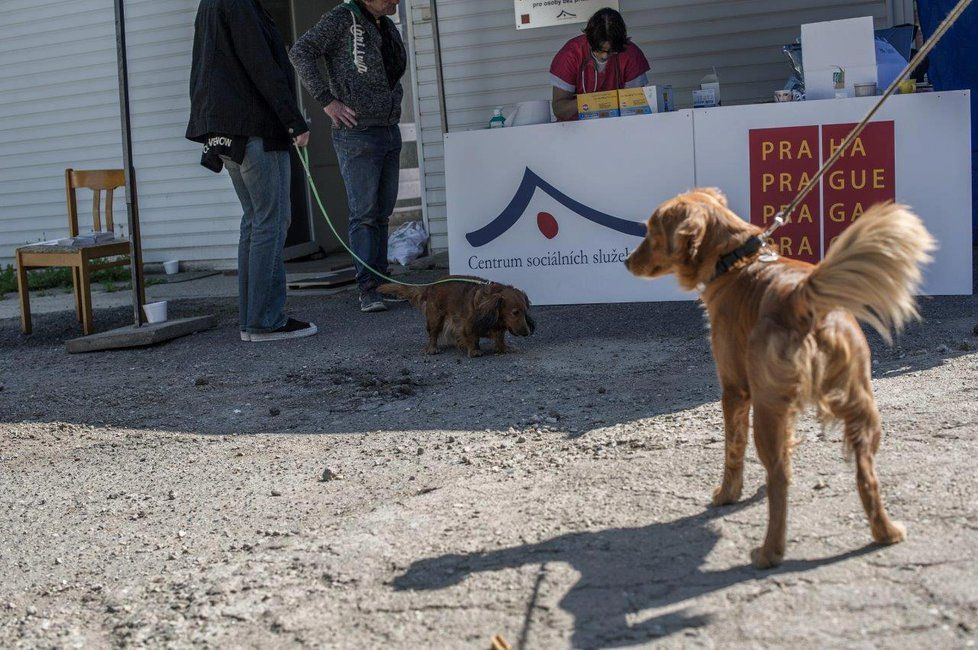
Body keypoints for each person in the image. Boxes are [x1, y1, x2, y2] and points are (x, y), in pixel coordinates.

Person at [186, 0, 318, 342]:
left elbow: (204, 68)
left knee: (255, 221)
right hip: (254, 128)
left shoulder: (211, 5)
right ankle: (265, 321)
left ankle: (252, 320)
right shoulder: (240, 5)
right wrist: (293, 119)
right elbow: (261, 66)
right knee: (271, 221)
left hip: (226, 129)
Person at [290, 0, 406, 313]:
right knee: (365, 213)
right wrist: (327, 101)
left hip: (388, 129)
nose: (395, 0)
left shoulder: (386, 25)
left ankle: (382, 282)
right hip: (357, 133)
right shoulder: (341, 18)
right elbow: (301, 52)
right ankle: (368, 289)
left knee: (382, 212)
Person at [550, 8, 652, 121]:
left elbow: (636, 106)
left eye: (612, 51)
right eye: (599, 50)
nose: (605, 56)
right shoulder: (570, 55)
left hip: (619, 127)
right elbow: (559, 109)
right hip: (576, 129)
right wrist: (590, 101)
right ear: (589, 40)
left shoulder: (631, 54)